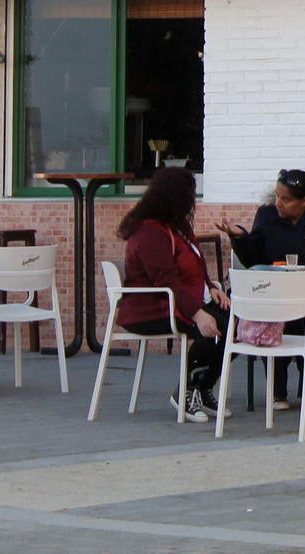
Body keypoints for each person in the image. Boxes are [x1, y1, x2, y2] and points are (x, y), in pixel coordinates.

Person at [215, 169, 305, 411]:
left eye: (286, 199)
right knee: (274, 318)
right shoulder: (267, 214)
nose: (278, 202)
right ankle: (277, 392)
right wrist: (239, 238)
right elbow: (252, 259)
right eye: (277, 196)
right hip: (275, 296)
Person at [117, 167, 232, 424]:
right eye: (190, 197)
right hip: (152, 308)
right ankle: (186, 391)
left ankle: (202, 387)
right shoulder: (150, 233)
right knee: (216, 328)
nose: (193, 202)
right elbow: (166, 280)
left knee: (237, 325)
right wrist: (199, 314)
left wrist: (211, 287)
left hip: (178, 301)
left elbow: (195, 265)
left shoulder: (177, 227)